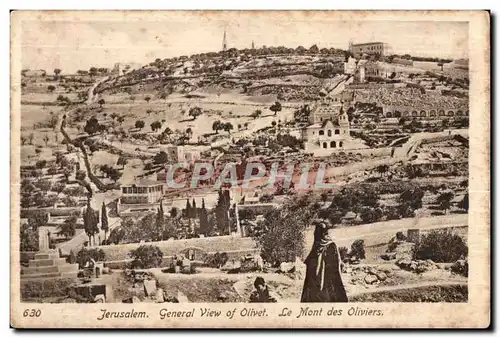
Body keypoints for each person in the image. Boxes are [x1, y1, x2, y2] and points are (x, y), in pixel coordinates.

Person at [300, 220, 348, 303]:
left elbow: (334, 266)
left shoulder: (330, 246)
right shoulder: (318, 246)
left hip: (328, 281)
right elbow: (310, 262)